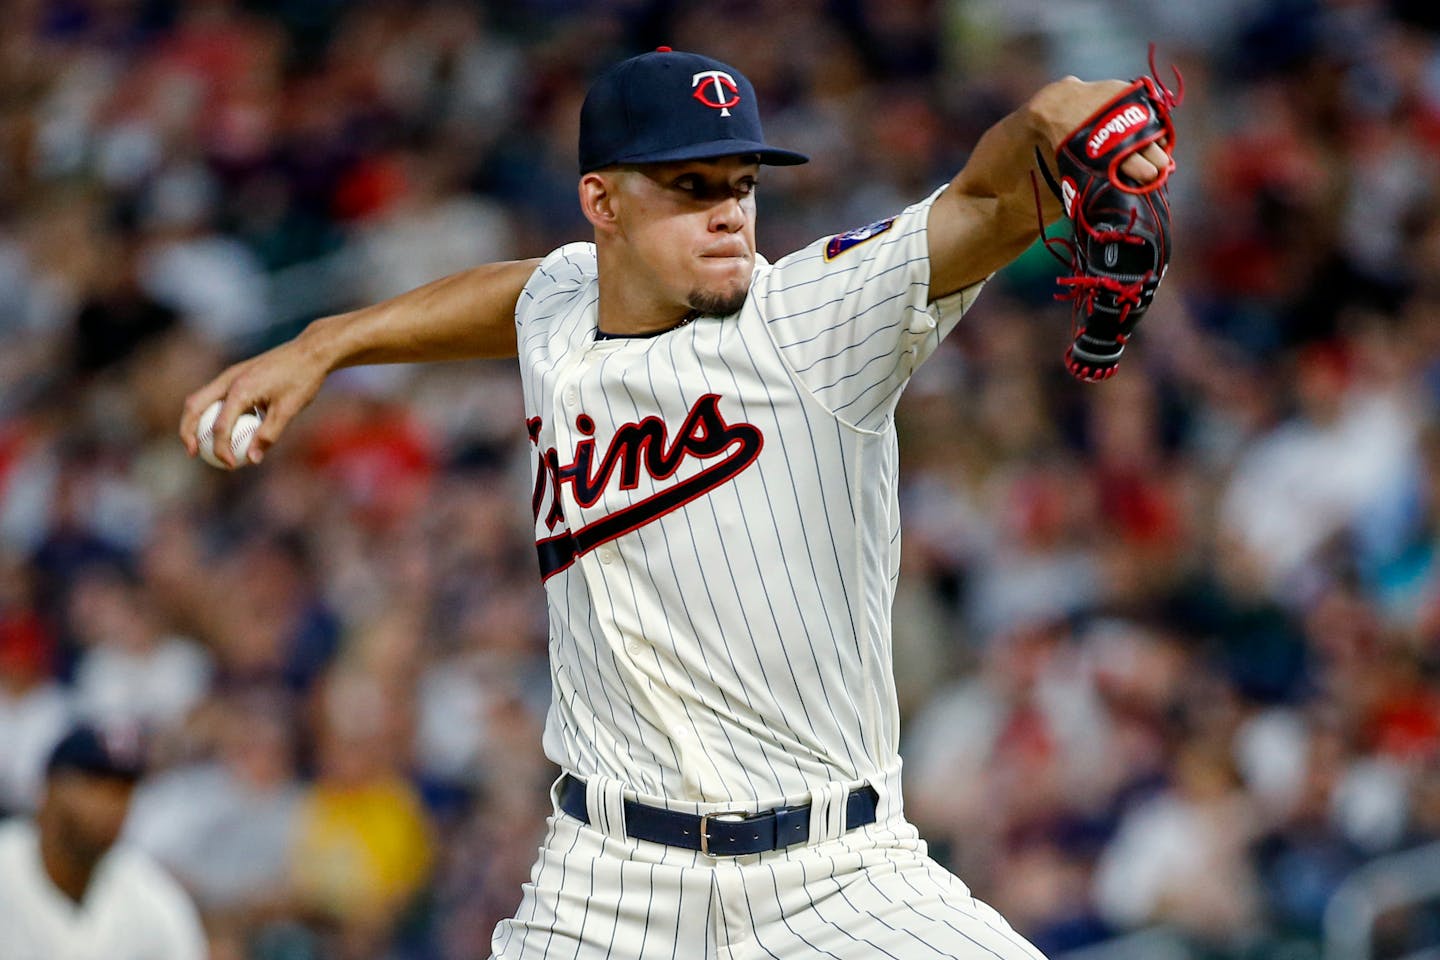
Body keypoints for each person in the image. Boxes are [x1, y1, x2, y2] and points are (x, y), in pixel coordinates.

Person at [182, 48, 1174, 959]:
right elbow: (514, 292)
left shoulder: (809, 318)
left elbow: (992, 199)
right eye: (691, 188)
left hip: (834, 875)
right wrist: (325, 342)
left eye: (740, 186)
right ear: (601, 202)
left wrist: (1059, 112)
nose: (730, 214)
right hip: (604, 883)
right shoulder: (565, 307)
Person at [0, 724, 208, 959]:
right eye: (94, 785)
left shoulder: (154, 900)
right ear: (48, 788)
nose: (109, 807)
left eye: (122, 792)